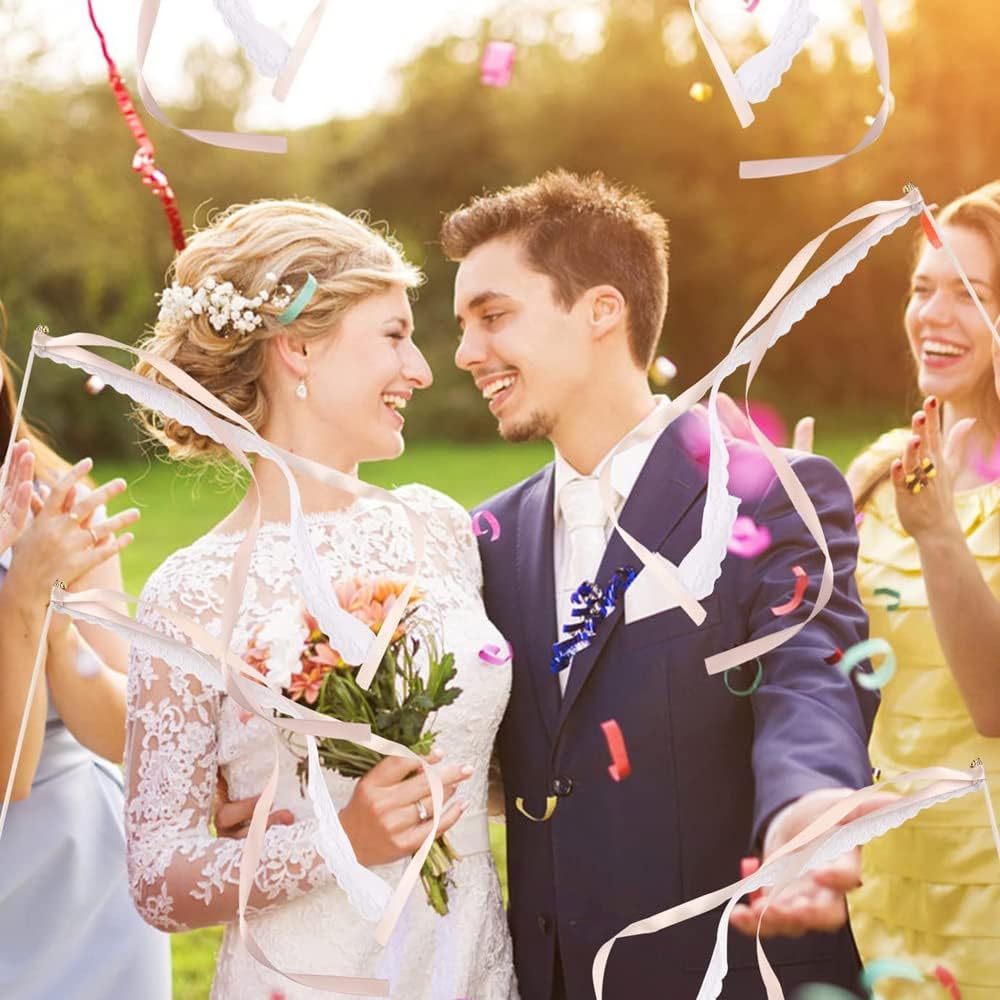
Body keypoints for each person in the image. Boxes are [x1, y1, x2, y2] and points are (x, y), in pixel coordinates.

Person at [442, 170, 881, 999]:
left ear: (603, 310)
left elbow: (811, 679)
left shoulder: (770, 495)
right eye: (462, 326)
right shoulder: (488, 538)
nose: (466, 353)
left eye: (493, 317)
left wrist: (804, 810)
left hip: (737, 974)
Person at [125, 199, 519, 998]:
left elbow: (485, 765)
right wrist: (335, 839)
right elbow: (156, 876)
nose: (422, 369)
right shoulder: (191, 594)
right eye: (395, 335)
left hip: (468, 964)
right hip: (308, 977)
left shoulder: (439, 529)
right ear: (299, 345)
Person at [845, 181, 1000, 1000]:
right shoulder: (877, 472)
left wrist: (939, 536)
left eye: (968, 294)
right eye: (921, 287)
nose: (932, 314)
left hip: (992, 894)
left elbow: (995, 706)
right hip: (890, 882)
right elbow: (838, 673)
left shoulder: (923, 504)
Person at [0, 304, 170, 999]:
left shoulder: (56, 495)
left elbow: (117, 729)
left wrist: (50, 613)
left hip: (81, 876)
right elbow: (7, 779)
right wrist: (22, 598)